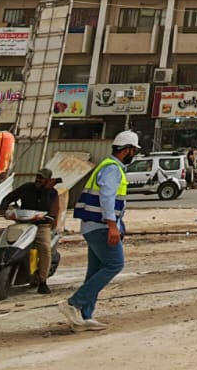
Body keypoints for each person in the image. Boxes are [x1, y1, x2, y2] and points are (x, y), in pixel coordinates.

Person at [60, 130, 141, 332]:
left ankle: (85, 316)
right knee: (115, 264)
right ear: (127, 150)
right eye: (134, 150)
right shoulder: (113, 169)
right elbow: (107, 198)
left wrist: (118, 224)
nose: (135, 154)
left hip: (94, 226)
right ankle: (74, 303)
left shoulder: (108, 166)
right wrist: (112, 226)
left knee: (95, 271)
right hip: (101, 227)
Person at [0, 168, 62, 295]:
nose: (38, 180)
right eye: (37, 177)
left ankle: (43, 281)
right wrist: (3, 209)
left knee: (45, 249)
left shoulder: (51, 193)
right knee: (1, 246)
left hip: (41, 226)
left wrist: (50, 217)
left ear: (47, 180)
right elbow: (9, 197)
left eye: (42, 178)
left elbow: (55, 209)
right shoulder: (27, 188)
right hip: (23, 223)